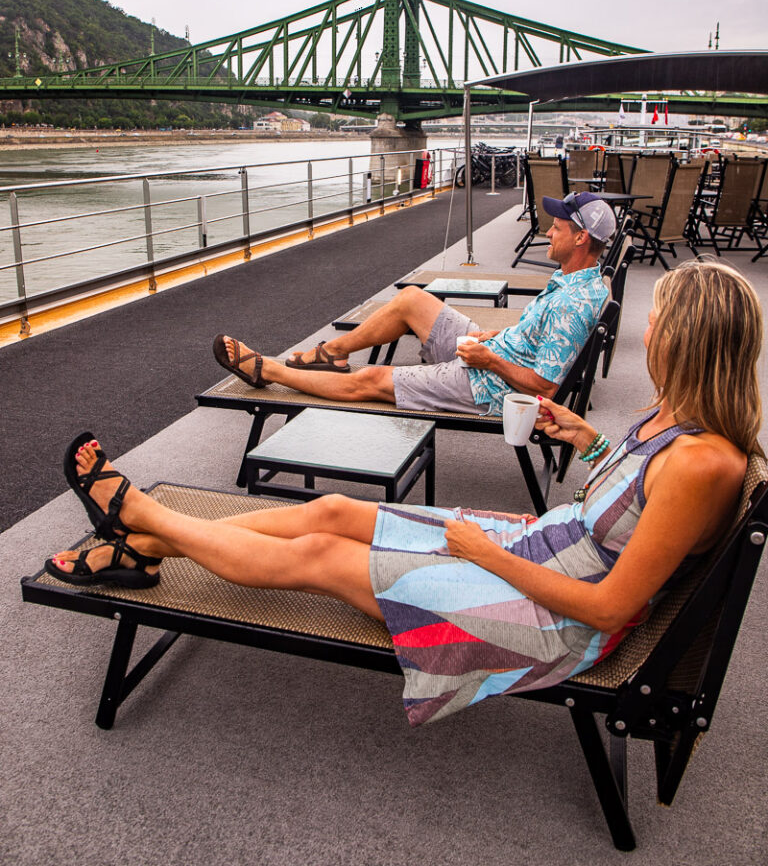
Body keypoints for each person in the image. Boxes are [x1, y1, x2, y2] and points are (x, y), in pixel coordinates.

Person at [47, 261, 762, 726]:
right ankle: (140, 546)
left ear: (687, 339)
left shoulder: (705, 462)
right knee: (330, 510)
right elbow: (641, 511)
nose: (648, 329)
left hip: (556, 617)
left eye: (659, 321)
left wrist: (486, 552)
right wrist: (592, 442)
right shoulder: (680, 421)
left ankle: (138, 518)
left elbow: (613, 606)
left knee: (324, 555)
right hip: (547, 553)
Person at [213, 193, 617, 415]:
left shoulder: (574, 304)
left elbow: (546, 386)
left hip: (489, 384)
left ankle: (271, 371)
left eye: (558, 228)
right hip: (492, 353)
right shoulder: (574, 280)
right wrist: (498, 338)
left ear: (581, 239)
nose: (548, 232)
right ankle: (332, 353)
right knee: (411, 299)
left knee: (371, 381)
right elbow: (541, 341)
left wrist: (489, 360)